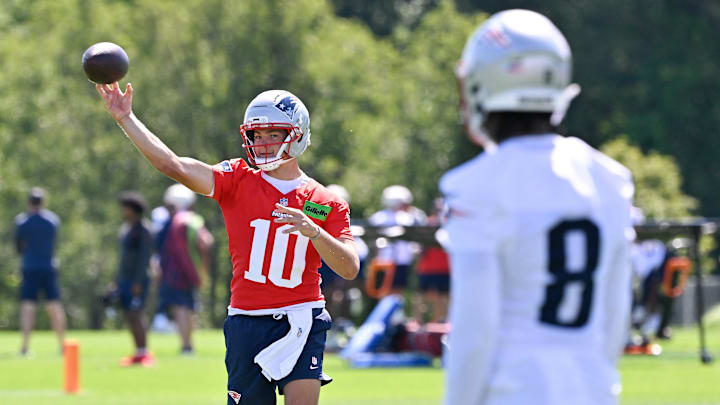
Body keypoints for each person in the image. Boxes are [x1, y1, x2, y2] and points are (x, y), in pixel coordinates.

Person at [95, 84, 359, 405]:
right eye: (257, 136)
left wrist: (315, 232)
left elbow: (349, 268)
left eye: (272, 134)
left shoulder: (323, 201)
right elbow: (172, 165)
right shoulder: (237, 178)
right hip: (247, 319)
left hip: (302, 316)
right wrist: (126, 118)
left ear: (298, 134)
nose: (262, 144)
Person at [441, 9, 634, 405]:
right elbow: (615, 316)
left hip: (512, 390)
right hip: (594, 389)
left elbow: (475, 330)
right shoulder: (608, 179)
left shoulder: (476, 185)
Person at [156, 183, 214, 354]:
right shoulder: (193, 219)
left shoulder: (175, 221)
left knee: (180, 307)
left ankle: (186, 345)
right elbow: (207, 242)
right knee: (189, 307)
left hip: (176, 272)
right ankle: (190, 344)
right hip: (191, 271)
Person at [15, 187, 66, 355]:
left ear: (29, 202)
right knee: (54, 306)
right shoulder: (53, 221)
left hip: (30, 267)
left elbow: (19, 247)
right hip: (48, 267)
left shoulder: (23, 222)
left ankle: (25, 347)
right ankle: (61, 346)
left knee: (28, 306)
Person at [113, 191, 154, 366]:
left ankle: (144, 353)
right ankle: (137, 352)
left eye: (126, 208)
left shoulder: (144, 230)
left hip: (138, 280)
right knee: (129, 315)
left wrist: (138, 281)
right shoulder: (126, 229)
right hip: (124, 279)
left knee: (137, 314)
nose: (123, 211)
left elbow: (144, 258)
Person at [368, 185, 427, 295]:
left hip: (384, 260)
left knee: (384, 292)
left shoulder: (378, 217)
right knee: (396, 292)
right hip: (398, 261)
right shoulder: (407, 218)